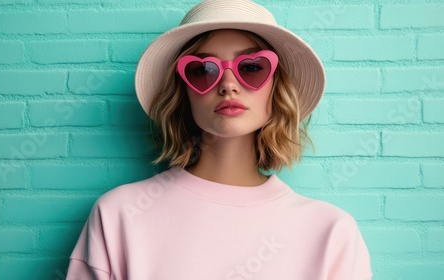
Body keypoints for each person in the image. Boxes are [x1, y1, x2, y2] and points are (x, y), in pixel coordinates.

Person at [66, 0, 372, 279]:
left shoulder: (331, 233)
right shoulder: (119, 215)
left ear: (276, 87)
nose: (228, 85)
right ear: (183, 92)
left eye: (251, 67)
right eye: (202, 70)